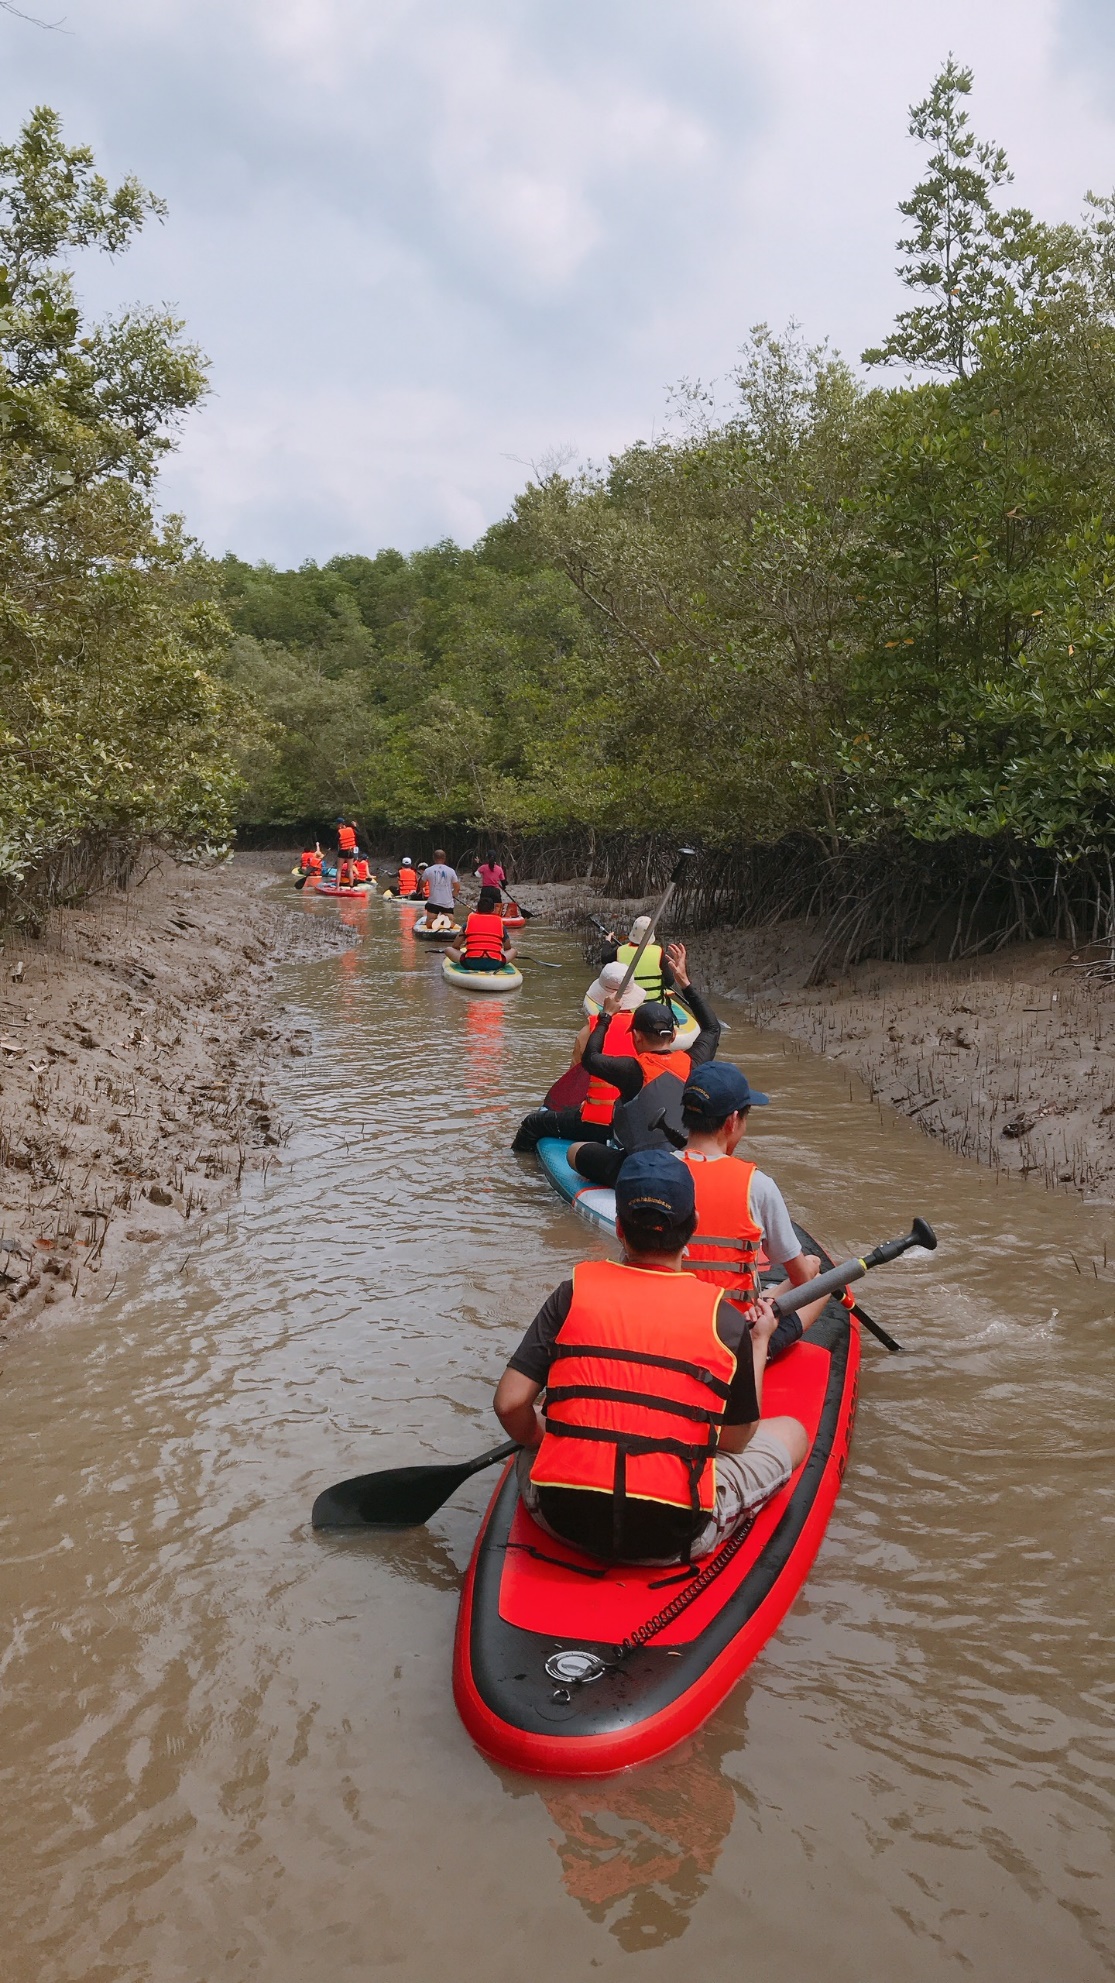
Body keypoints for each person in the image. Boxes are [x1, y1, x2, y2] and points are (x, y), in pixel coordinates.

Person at [493, 1151, 807, 1564]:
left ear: (619, 1227)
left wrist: (541, 1433)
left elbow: (509, 1403)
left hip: (561, 1518)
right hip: (672, 1534)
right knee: (792, 1433)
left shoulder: (572, 1293)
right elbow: (735, 1440)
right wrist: (761, 1341)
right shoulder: (724, 1320)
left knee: (537, 1416)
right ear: (692, 1225)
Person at [679, 1062, 829, 1361]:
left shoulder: (652, 1174)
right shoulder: (757, 1185)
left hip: (670, 1324)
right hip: (731, 1339)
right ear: (733, 1121)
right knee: (819, 1282)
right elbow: (799, 1278)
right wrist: (811, 1266)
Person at [563, 944, 720, 1187]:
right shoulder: (693, 1062)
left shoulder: (631, 1070)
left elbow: (590, 1058)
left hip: (642, 1169)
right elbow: (712, 1028)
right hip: (684, 1163)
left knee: (574, 1151)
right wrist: (685, 983)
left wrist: (606, 1017)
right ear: (674, 1034)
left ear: (636, 1037)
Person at [510, 961, 644, 1153]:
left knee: (532, 1123)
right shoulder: (645, 1033)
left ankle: (518, 1163)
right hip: (635, 1124)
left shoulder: (588, 1032)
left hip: (598, 1125)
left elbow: (576, 1081)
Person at [600, 915, 677, 1003]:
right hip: (656, 1006)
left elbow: (604, 958)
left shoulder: (620, 950)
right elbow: (670, 981)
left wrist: (607, 941)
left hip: (628, 1006)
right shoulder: (659, 951)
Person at [447, 886, 516, 970]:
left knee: (448, 949)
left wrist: (463, 952)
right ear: (492, 910)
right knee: (513, 951)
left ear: (477, 908)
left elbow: (455, 945)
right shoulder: (500, 925)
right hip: (494, 963)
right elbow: (507, 948)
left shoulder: (468, 924)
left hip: (470, 963)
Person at [423, 848, 460, 919]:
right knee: (450, 922)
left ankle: (433, 923)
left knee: (430, 922)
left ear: (434, 858)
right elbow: (457, 888)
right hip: (447, 903)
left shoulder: (428, 870)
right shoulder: (451, 871)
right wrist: (452, 895)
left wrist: (422, 890)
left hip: (433, 902)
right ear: (444, 858)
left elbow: (422, 884)